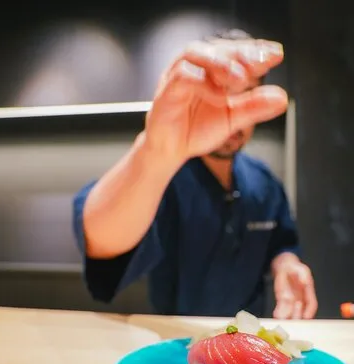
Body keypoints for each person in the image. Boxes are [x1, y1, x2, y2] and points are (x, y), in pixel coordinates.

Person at [72, 29, 318, 319]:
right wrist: (157, 151)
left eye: (246, 96)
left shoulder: (264, 182)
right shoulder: (166, 176)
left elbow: (282, 243)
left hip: (249, 338)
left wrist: (286, 264)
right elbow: (103, 241)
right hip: (178, 339)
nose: (232, 117)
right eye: (224, 94)